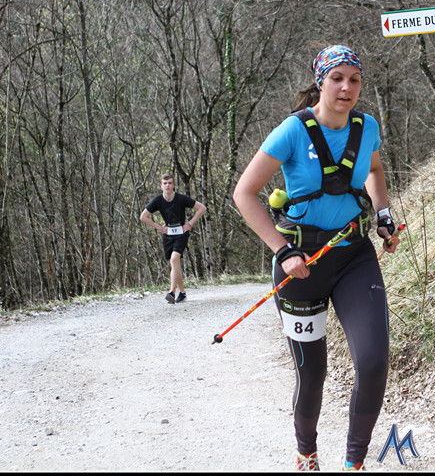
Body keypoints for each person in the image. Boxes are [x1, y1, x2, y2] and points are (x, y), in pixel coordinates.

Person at [232, 45, 400, 471]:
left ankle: (354, 463)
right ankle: (306, 452)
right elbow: (244, 194)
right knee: (312, 375)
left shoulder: (366, 127)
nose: (346, 87)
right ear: (320, 82)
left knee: (373, 362)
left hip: (354, 256)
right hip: (301, 265)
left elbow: (375, 171)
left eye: (354, 79)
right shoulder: (293, 130)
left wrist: (383, 215)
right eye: (337, 78)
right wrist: (283, 250)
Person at [140, 174, 207, 304]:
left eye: (170, 183)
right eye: (165, 183)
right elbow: (143, 217)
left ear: (173, 185)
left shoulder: (181, 198)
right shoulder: (158, 200)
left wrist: (189, 224)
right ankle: (182, 292)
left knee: (174, 259)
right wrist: (159, 228)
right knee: (174, 264)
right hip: (168, 234)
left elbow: (202, 208)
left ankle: (171, 292)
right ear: (161, 185)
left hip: (181, 233)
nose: (167, 185)